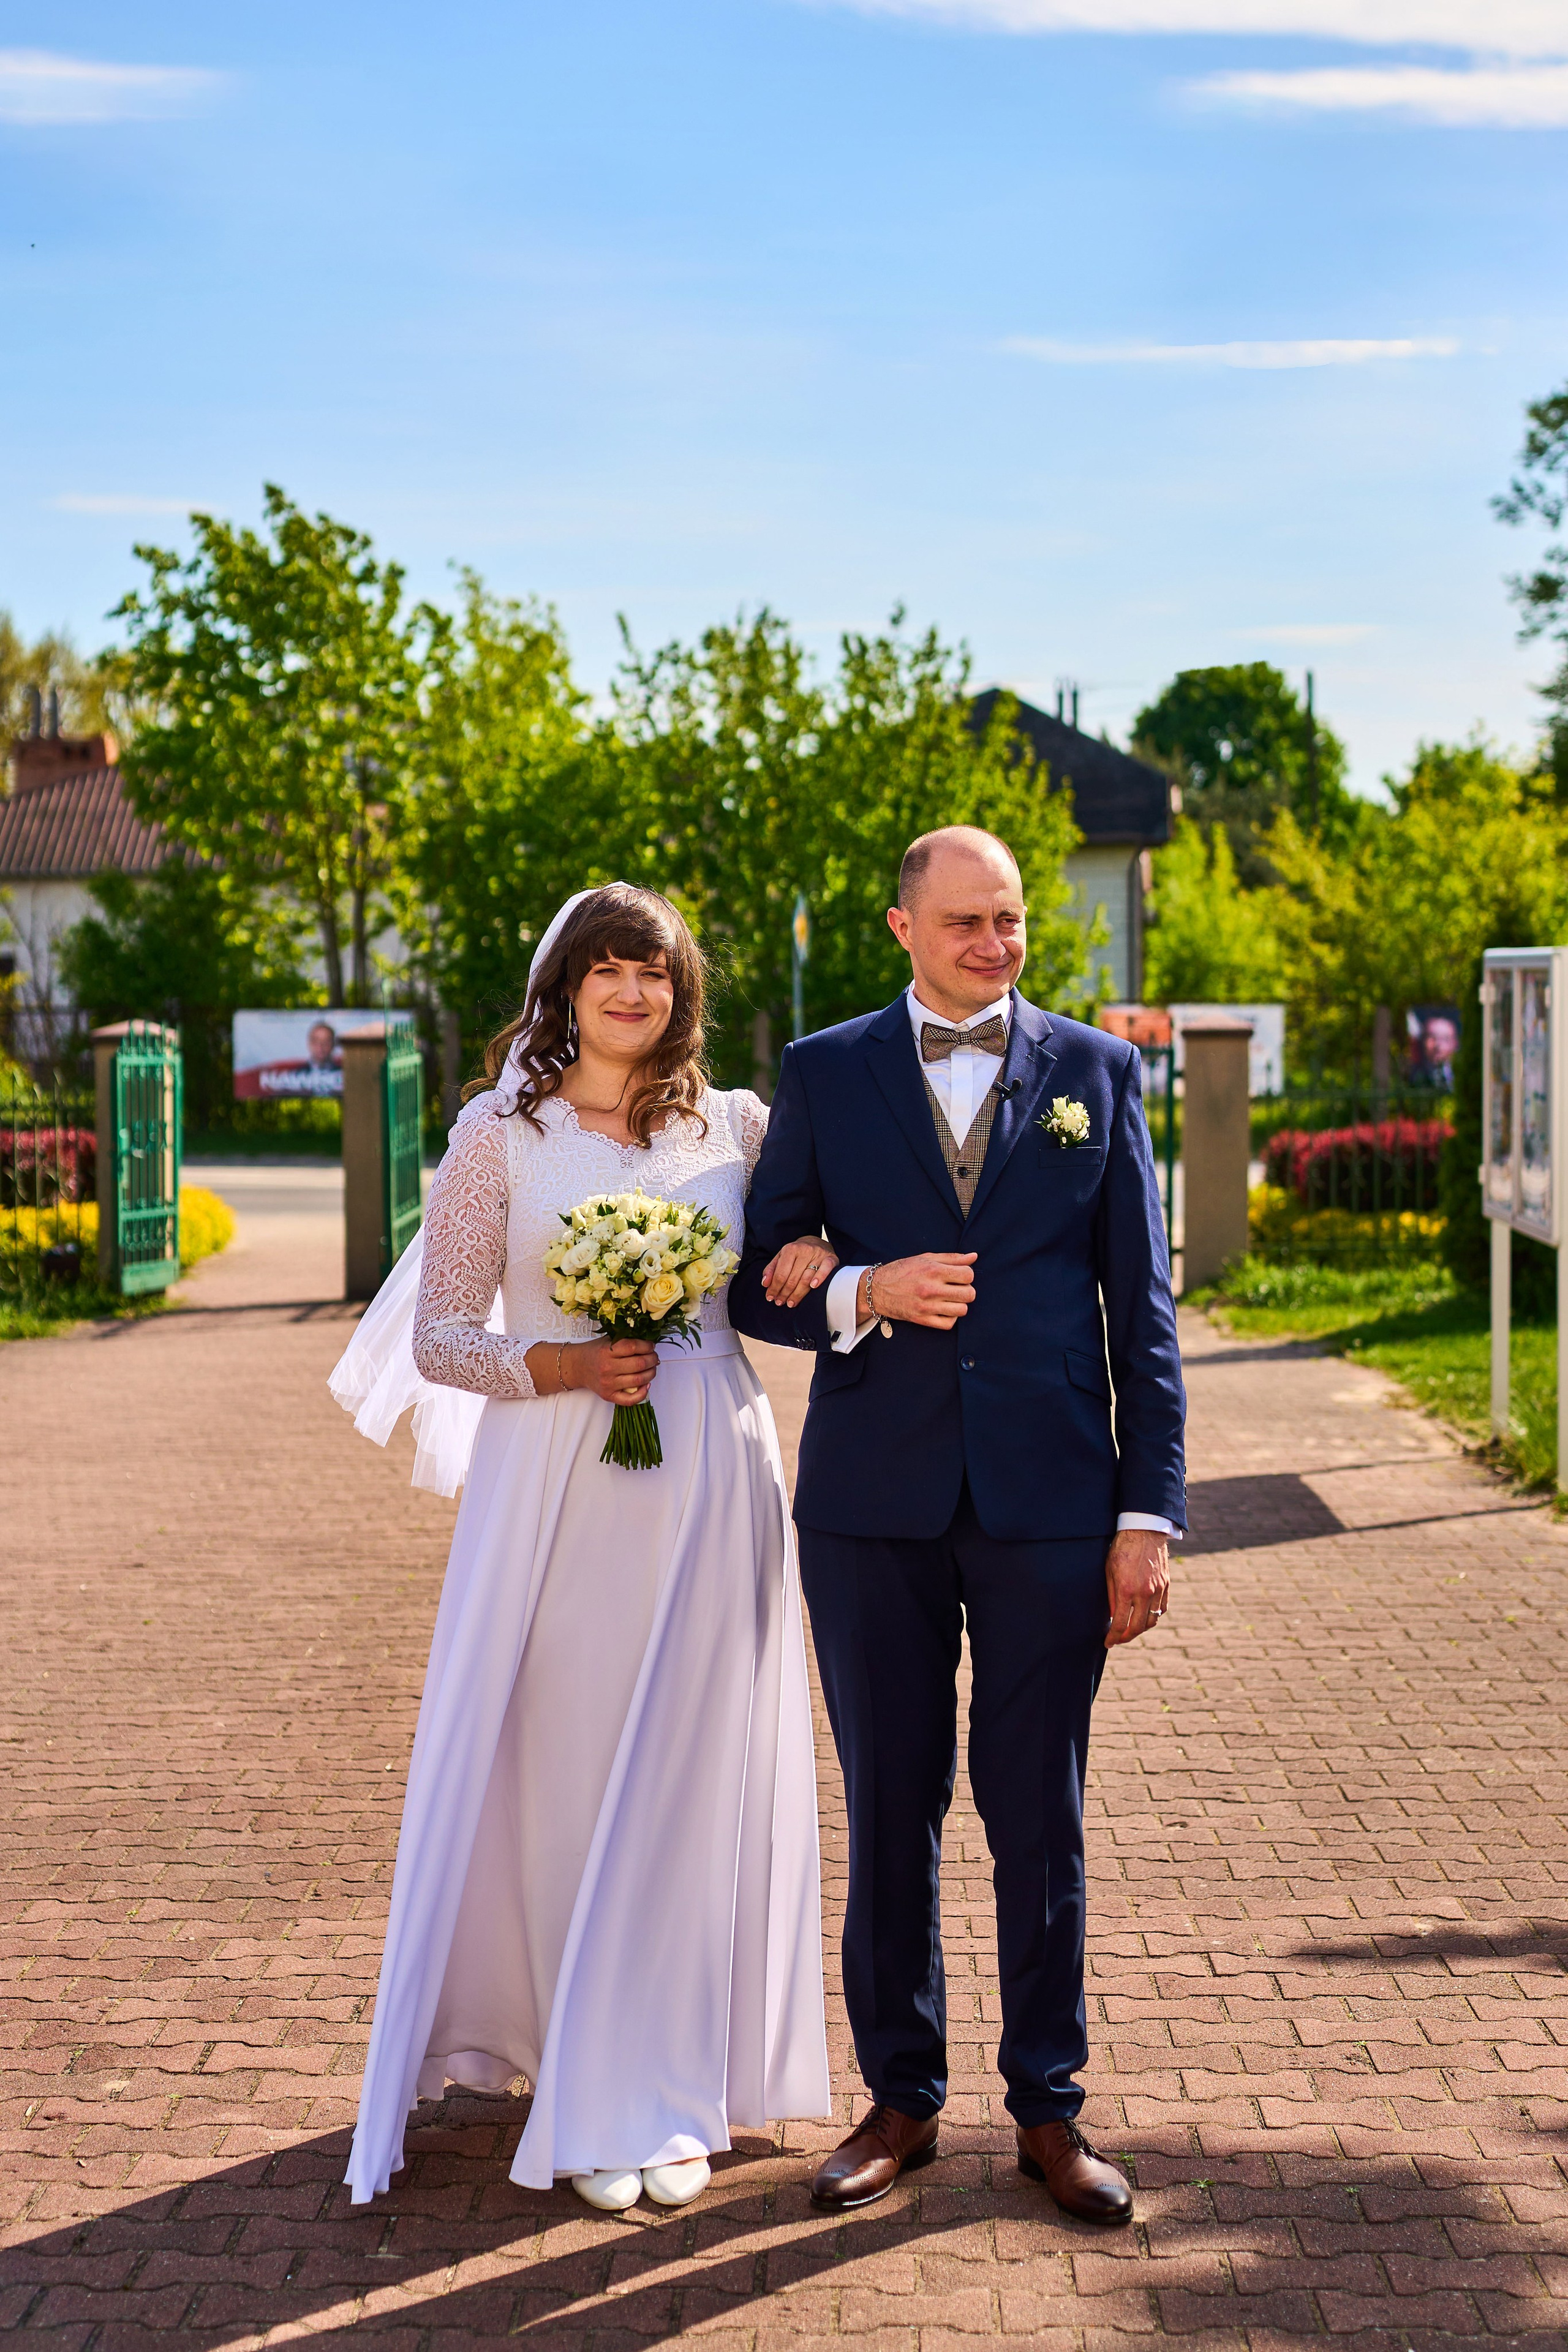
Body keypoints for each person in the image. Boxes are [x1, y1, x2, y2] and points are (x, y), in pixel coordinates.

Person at [334, 884, 834, 2214]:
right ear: (562, 990)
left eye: (653, 974)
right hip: (555, 1482)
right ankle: (574, 2069)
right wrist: (559, 1359)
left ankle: (663, 2086)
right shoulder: (498, 1135)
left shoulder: (737, 1127)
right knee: (561, 1772)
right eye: (606, 971)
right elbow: (443, 1335)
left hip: (712, 1477)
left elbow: (795, 1256)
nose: (632, 993)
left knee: (689, 1780)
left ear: (680, 994)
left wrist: (819, 1255)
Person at [731, 826, 1186, 2226]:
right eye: (963, 923)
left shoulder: (1097, 1075)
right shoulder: (821, 1072)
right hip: (872, 1507)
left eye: (1008, 923)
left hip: (1054, 1505)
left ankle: (1049, 2110)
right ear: (899, 928)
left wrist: (1145, 1514)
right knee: (891, 1812)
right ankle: (901, 2101)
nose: (992, 945)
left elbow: (1144, 1315)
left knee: (1036, 1814)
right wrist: (863, 1287)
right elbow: (754, 1285)